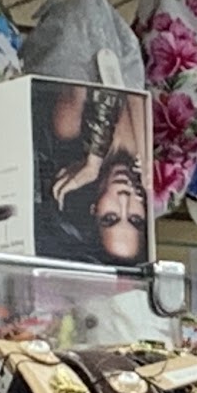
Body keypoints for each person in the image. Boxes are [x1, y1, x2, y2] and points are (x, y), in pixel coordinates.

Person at [39, 83, 149, 264]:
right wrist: (147, 159)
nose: (124, 199)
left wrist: (96, 156)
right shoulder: (167, 178)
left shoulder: (70, 128)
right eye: (135, 219)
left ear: (94, 209)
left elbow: (116, 76)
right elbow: (140, 89)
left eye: (110, 217)